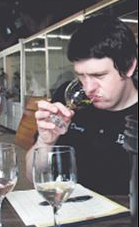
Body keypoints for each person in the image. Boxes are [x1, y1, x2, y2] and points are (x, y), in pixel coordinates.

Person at [26, 14, 138, 195]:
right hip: (69, 212)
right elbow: (32, 178)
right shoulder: (66, 98)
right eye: (81, 75)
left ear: (129, 67)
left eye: (99, 76)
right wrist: (46, 141)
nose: (88, 88)